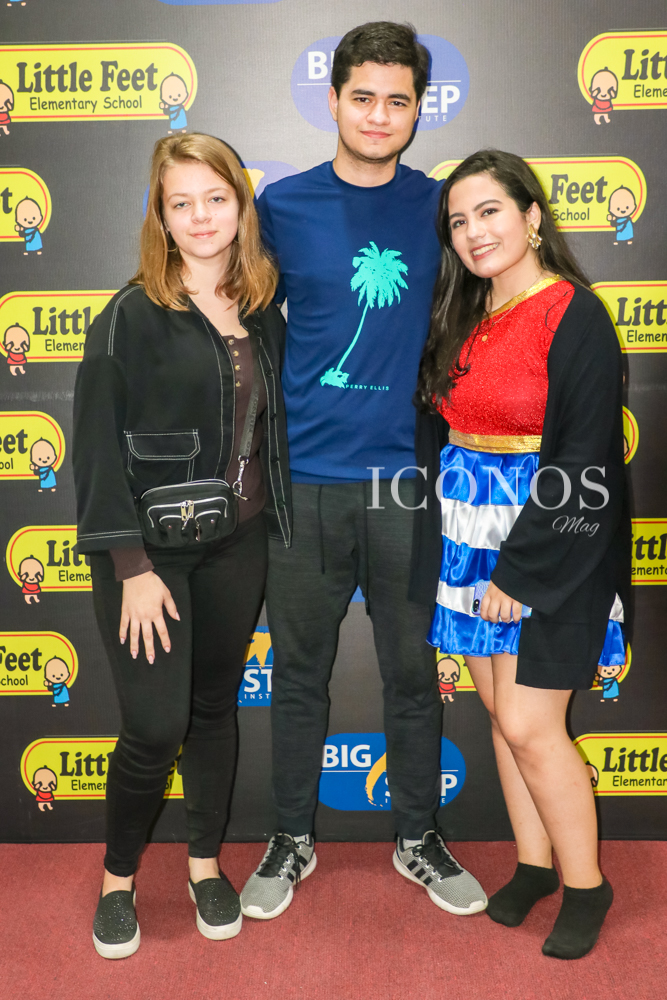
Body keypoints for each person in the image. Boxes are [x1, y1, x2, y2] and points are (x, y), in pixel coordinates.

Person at [240, 22, 487, 922]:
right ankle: (290, 836)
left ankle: (416, 835)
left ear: (419, 109)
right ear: (333, 100)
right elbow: (235, 321)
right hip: (303, 483)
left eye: (397, 100)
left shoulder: (441, 208)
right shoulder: (281, 206)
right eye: (363, 97)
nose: (379, 115)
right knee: (298, 674)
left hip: (406, 488)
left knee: (412, 673)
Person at [72, 132, 291, 958]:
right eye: (181, 202)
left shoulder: (262, 309)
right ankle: (117, 880)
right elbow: (95, 453)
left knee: (211, 711)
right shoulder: (129, 316)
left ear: (241, 205)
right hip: (148, 558)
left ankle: (204, 865)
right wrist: (129, 566)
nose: (201, 217)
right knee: (155, 725)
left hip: (239, 545)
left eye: (216, 198)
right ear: (160, 216)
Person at [413, 149, 630, 959]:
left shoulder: (573, 313)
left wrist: (521, 570)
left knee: (532, 724)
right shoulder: (462, 313)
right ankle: (534, 865)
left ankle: (587, 885)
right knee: (502, 721)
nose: (473, 232)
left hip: (551, 546)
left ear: (531, 216)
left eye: (489, 211)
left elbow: (584, 460)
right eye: (458, 221)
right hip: (467, 542)